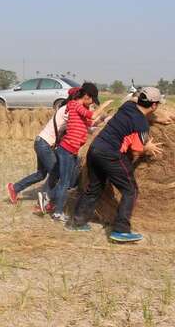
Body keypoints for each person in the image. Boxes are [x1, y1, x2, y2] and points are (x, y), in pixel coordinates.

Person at [67, 87, 164, 242]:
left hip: (95, 149)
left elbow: (133, 102)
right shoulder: (142, 125)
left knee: (94, 188)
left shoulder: (127, 106)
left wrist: (156, 119)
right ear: (154, 106)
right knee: (130, 190)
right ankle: (121, 230)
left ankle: (77, 222)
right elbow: (136, 151)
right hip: (111, 155)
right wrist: (148, 148)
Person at [43, 83, 112, 222]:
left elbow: (90, 123)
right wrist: (103, 106)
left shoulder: (79, 109)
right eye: (92, 99)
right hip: (67, 149)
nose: (92, 103)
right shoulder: (75, 105)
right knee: (65, 182)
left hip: (72, 151)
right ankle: (57, 211)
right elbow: (91, 116)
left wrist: (105, 119)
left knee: (69, 181)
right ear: (86, 96)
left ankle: (49, 198)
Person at [6, 93, 73, 207]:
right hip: (44, 145)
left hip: (40, 142)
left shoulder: (65, 109)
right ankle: (45, 200)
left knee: (41, 174)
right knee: (56, 173)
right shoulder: (68, 111)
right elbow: (83, 124)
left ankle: (15, 188)